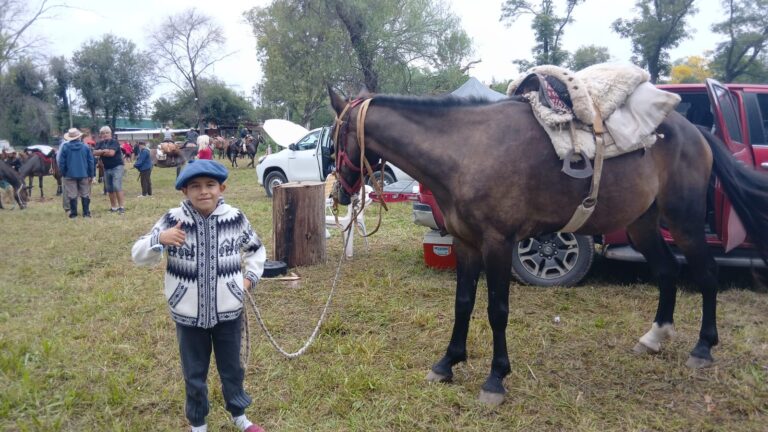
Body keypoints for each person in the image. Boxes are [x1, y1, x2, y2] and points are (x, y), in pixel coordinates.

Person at [131, 160, 266, 432]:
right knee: (194, 373)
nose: (203, 192)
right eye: (195, 186)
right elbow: (138, 255)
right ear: (185, 191)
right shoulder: (172, 220)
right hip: (188, 314)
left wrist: (249, 279)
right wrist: (160, 239)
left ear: (221, 187)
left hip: (229, 311)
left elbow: (255, 250)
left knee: (232, 369)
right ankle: (198, 424)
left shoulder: (235, 218)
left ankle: (239, 416)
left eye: (210, 185)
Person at [58, 128, 95, 218]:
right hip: (84, 174)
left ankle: (74, 214)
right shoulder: (86, 147)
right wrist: (92, 175)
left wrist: (63, 173)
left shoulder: (65, 147)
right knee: (85, 193)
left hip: (69, 174)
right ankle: (86, 213)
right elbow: (91, 161)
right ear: (79, 137)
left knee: (72, 194)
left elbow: (61, 162)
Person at [93, 126, 126, 214]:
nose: (105, 135)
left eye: (107, 133)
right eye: (103, 133)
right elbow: (94, 152)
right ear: (100, 135)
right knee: (109, 188)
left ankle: (121, 207)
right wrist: (105, 151)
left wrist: (101, 151)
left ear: (110, 134)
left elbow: (111, 153)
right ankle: (113, 207)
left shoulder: (114, 142)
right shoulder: (99, 143)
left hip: (117, 166)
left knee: (116, 186)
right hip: (106, 168)